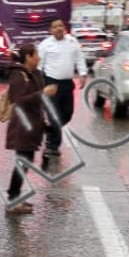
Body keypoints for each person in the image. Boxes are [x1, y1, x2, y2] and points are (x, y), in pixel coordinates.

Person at [3, 43, 57, 215]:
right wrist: (43, 93)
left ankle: (15, 197)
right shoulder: (18, 75)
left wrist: (44, 119)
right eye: (36, 55)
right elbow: (19, 101)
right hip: (23, 126)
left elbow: (38, 101)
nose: (39, 58)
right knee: (22, 162)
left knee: (25, 161)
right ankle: (12, 200)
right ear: (28, 57)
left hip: (33, 124)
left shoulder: (35, 73)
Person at [38, 18, 87, 159]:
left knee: (67, 114)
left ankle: (50, 129)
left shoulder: (72, 41)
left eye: (60, 25)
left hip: (67, 84)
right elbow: (39, 65)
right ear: (50, 30)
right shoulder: (45, 45)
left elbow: (79, 59)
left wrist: (83, 74)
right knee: (55, 116)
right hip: (51, 84)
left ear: (64, 28)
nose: (58, 28)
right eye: (55, 27)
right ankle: (52, 146)